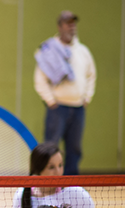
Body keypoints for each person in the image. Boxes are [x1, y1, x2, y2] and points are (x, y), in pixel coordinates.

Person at [34, 10, 96, 175]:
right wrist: (50, 101)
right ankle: (47, 182)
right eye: (68, 24)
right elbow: (39, 79)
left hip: (78, 108)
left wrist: (86, 98)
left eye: (73, 24)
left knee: (74, 148)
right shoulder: (49, 50)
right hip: (57, 108)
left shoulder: (83, 51)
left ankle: (71, 185)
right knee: (50, 147)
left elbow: (91, 75)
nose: (71, 27)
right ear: (60, 26)